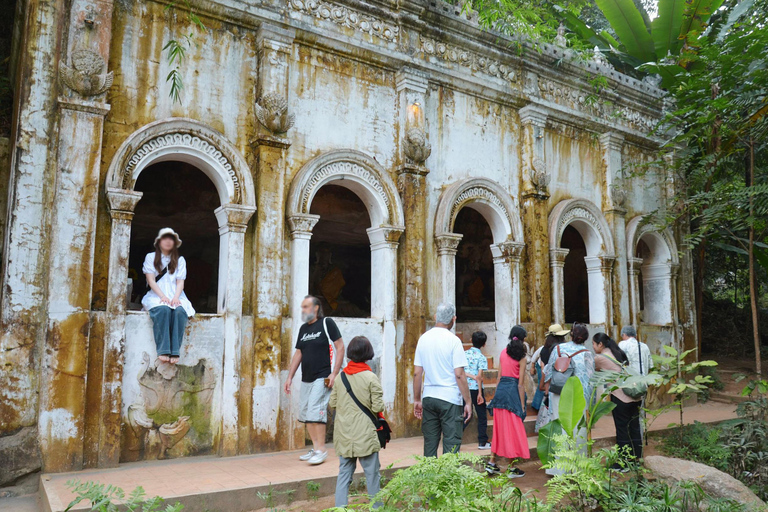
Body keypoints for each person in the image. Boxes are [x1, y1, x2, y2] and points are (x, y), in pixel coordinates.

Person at [285, 295, 344, 465]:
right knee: (306, 414)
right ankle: (315, 447)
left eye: (306, 306)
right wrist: (290, 377)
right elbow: (299, 353)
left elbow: (340, 346)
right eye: (302, 307)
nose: (303, 310)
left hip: (323, 375)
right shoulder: (303, 329)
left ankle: (321, 450)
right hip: (307, 378)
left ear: (316, 308)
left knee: (315, 411)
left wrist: (334, 373)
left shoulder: (327, 323)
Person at [329, 336, 384, 508]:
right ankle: (377, 509)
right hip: (366, 435)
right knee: (372, 476)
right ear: (368, 354)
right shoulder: (370, 377)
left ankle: (340, 509)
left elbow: (332, 403)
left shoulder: (340, 377)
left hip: (344, 434)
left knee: (344, 475)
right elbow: (377, 406)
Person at [413, 303, 472, 457]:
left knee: (430, 443)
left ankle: (430, 479)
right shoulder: (454, 341)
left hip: (429, 396)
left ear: (435, 317)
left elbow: (417, 373)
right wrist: (468, 401)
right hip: (450, 398)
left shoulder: (423, 339)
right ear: (454, 319)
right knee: (451, 445)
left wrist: (417, 399)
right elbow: (459, 374)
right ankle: (448, 480)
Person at [543, 323, 594, 476]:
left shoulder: (559, 349)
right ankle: (578, 468)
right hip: (579, 394)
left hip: (559, 393)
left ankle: (558, 468)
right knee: (579, 429)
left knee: (560, 428)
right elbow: (591, 379)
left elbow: (549, 372)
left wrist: (547, 394)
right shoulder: (587, 353)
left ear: (570, 335)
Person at [142, 228, 195, 364]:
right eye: (165, 238)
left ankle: (175, 350)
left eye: (171, 238)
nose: (168, 241)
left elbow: (180, 282)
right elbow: (151, 280)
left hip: (176, 295)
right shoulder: (150, 257)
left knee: (179, 312)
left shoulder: (180, 260)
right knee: (163, 310)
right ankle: (163, 350)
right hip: (156, 295)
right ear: (159, 242)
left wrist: (176, 297)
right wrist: (162, 296)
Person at [485, 326, 531, 478]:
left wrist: (497, 396)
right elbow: (520, 384)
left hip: (501, 392)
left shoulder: (503, 353)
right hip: (512, 392)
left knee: (498, 429)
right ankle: (512, 467)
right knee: (513, 429)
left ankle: (492, 463)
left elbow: (498, 377)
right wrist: (523, 404)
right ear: (522, 339)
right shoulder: (522, 357)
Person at [593, 332, 643, 466]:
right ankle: (637, 458)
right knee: (634, 426)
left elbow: (593, 369)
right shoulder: (618, 352)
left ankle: (623, 462)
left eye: (593, 343)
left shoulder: (600, 357)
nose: (593, 347)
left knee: (622, 429)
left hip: (621, 397)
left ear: (600, 344)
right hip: (634, 396)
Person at [618, 325, 653, 443]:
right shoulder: (644, 346)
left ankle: (627, 443)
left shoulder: (622, 345)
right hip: (642, 384)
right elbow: (650, 366)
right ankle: (640, 442)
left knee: (626, 417)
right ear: (635, 335)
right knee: (639, 415)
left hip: (628, 385)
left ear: (624, 335)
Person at [533, 324, 569, 433]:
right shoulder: (563, 349)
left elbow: (546, 371)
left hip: (550, 384)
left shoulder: (544, 350)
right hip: (563, 382)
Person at [463, 331, 490, 449]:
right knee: (482, 415)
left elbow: (459, 372)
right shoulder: (482, 358)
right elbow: (479, 378)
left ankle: (454, 439)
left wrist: (470, 376)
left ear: (470, 340)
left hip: (463, 387)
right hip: (475, 388)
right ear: (484, 344)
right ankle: (482, 442)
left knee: (464, 414)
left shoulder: (463, 354)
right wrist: (480, 393)